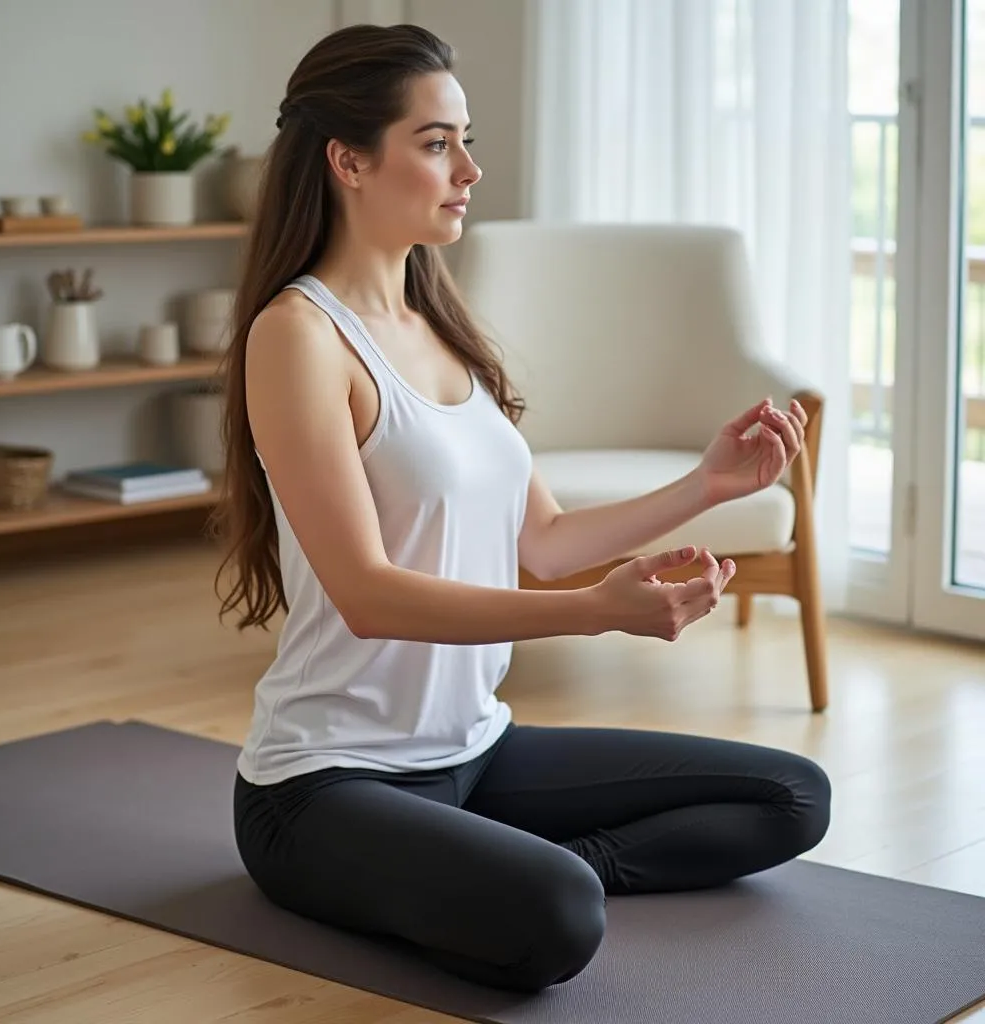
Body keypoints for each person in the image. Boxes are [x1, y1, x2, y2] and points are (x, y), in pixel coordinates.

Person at [212, 22, 831, 995]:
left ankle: (494, 863)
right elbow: (371, 595)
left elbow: (543, 542)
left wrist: (705, 485)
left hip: (476, 747)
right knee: (556, 918)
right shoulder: (298, 338)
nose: (469, 166)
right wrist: (599, 613)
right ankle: (509, 873)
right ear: (349, 160)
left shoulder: (440, 322)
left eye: (465, 137)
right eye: (435, 141)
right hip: (324, 786)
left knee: (792, 795)